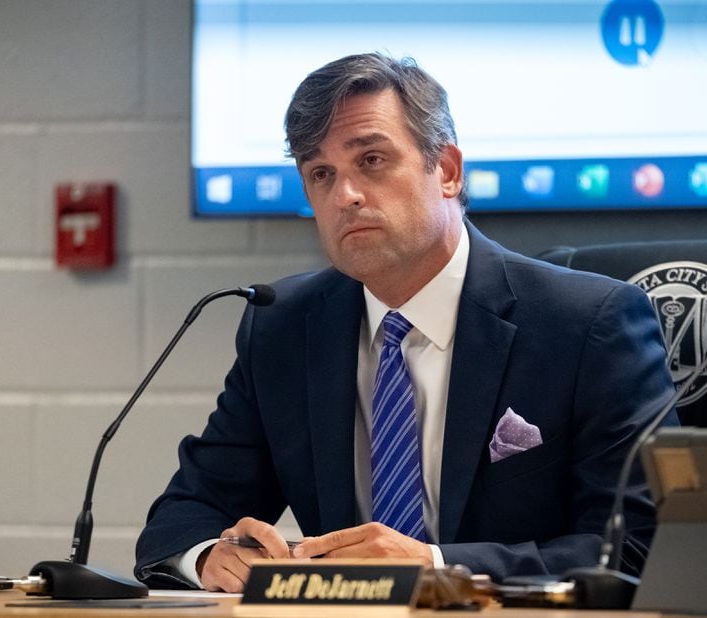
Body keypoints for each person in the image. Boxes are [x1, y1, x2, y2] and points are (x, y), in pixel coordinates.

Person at [135, 52, 677, 592]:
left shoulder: (587, 325)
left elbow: (641, 546)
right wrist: (210, 556)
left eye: (370, 160)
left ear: (445, 171)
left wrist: (439, 566)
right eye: (321, 174)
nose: (345, 194)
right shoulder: (283, 328)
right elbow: (182, 518)